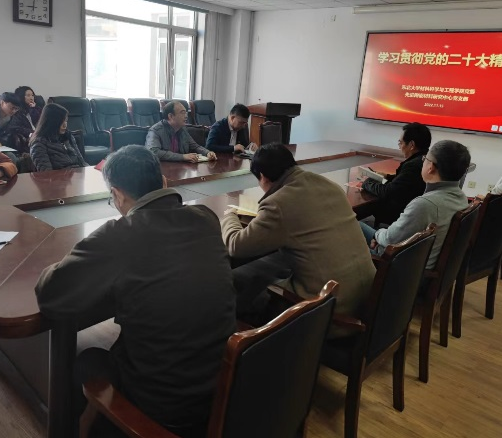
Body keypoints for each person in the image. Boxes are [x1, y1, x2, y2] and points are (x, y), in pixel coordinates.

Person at [35, 145, 235, 437]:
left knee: (87, 360)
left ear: (116, 195)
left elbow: (50, 294)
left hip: (165, 410)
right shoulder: (205, 218)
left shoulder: (119, 235)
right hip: (222, 391)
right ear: (163, 182)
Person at [220, 143, 375, 337]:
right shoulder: (328, 185)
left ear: (263, 177)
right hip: (366, 299)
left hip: (330, 314)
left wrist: (230, 216)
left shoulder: (278, 203)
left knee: (247, 292)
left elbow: (235, 246)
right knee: (269, 267)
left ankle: (250, 343)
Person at [359, 140, 471, 270]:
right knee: (360, 227)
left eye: (425, 159)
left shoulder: (425, 205)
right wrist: (380, 237)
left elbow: (390, 239)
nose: (423, 162)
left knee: (352, 228)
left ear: (431, 167)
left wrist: (376, 237)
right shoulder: (461, 198)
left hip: (399, 270)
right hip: (419, 263)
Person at [362, 122, 432, 224]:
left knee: (357, 221)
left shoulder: (412, 166)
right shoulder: (427, 159)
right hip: (418, 215)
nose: (399, 147)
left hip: (399, 219)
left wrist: (367, 182)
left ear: (411, 145)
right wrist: (387, 176)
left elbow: (388, 192)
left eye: (401, 143)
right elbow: (407, 181)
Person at [146, 100, 216, 162]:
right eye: (182, 113)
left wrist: (207, 152)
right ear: (170, 116)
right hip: (163, 169)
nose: (186, 116)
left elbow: (195, 146)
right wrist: (182, 157)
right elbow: (153, 152)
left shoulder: (182, 129)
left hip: (180, 168)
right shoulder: (155, 130)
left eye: (186, 113)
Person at [29, 103, 87, 171]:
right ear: (52, 123)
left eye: (66, 121)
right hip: (60, 177)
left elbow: (82, 163)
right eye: (61, 122)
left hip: (76, 175)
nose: (65, 125)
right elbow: (47, 174)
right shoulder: (39, 144)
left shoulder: (68, 136)